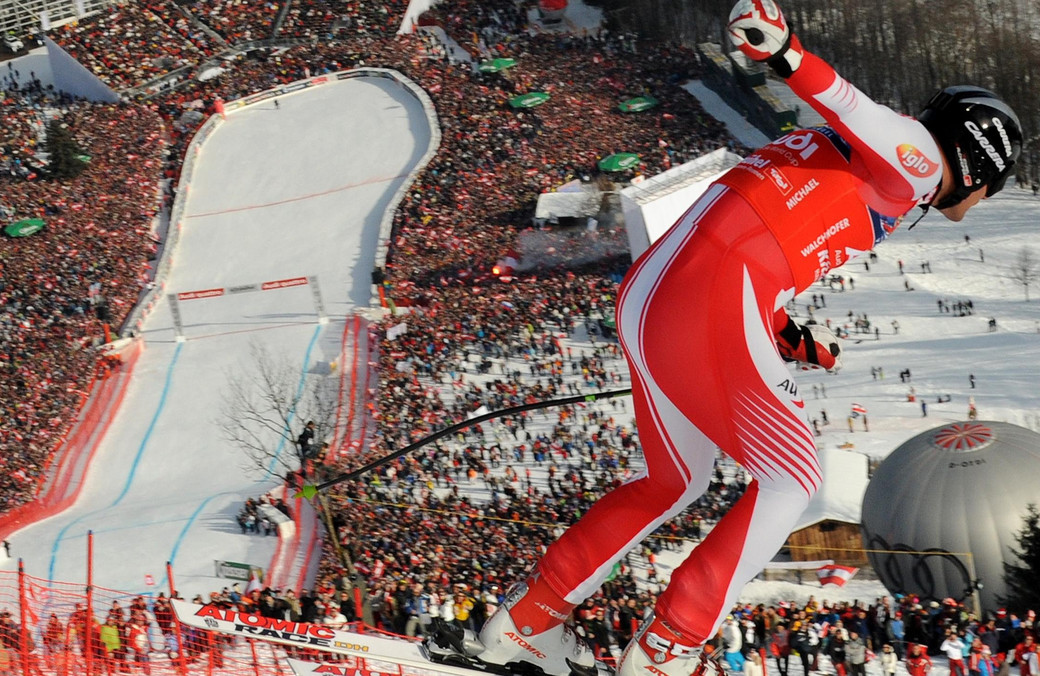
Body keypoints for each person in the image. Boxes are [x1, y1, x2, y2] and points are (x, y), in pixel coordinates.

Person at [431, 1, 1024, 675]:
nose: (978, 203)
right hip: (710, 296)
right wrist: (786, 53)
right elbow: (860, 112)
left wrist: (782, 330)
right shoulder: (917, 164)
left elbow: (757, 228)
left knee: (674, 481)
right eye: (990, 189)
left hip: (659, 295)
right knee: (793, 477)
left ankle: (526, 624)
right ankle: (666, 649)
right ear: (975, 166)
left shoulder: (851, 163)